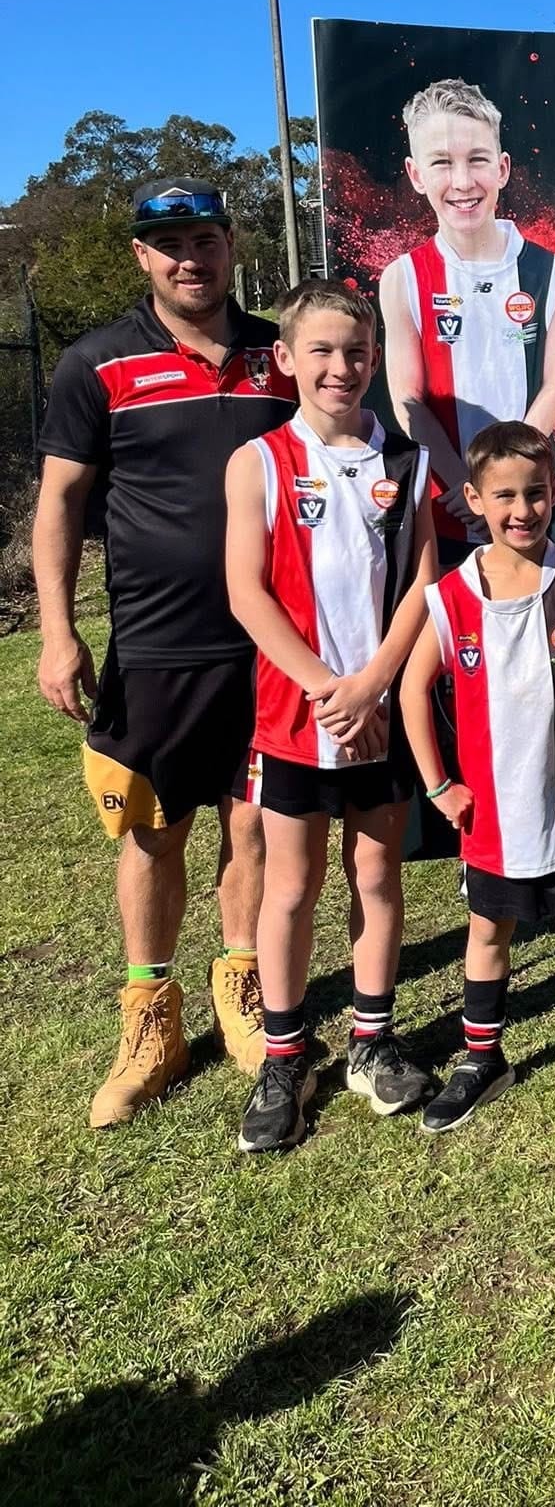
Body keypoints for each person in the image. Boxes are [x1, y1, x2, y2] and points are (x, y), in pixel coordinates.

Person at [33, 178, 296, 1127]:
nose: (191, 257)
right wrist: (60, 633)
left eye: (206, 237)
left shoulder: (284, 353)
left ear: (232, 246)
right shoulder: (97, 363)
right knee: (153, 829)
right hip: (156, 642)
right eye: (168, 242)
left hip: (274, 640)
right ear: (142, 257)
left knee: (255, 821)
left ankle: (242, 986)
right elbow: (61, 503)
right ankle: (149, 1019)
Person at [225, 279, 438, 1153]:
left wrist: (378, 682)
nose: (339, 367)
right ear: (286, 359)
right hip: (295, 717)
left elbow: (424, 582)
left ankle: (370, 1042)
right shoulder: (260, 461)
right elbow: (246, 593)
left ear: (374, 360)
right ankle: (285, 1055)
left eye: (354, 352)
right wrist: (329, 688)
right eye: (320, 351)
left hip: (382, 714)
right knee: (290, 886)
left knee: (378, 879)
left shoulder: (408, 461)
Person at [399, 421, 555, 1136]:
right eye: (505, 495)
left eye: (537, 494)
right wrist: (438, 784)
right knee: (487, 932)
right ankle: (483, 1059)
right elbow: (413, 689)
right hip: (489, 814)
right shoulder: (450, 597)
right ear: (474, 501)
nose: (522, 509)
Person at [379, 78, 555, 558]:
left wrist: (511, 482)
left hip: (535, 501)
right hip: (451, 508)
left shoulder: (547, 267)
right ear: (416, 174)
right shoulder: (403, 277)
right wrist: (469, 485)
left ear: (503, 168)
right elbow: (409, 401)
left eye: (478, 160)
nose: (463, 181)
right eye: (442, 162)